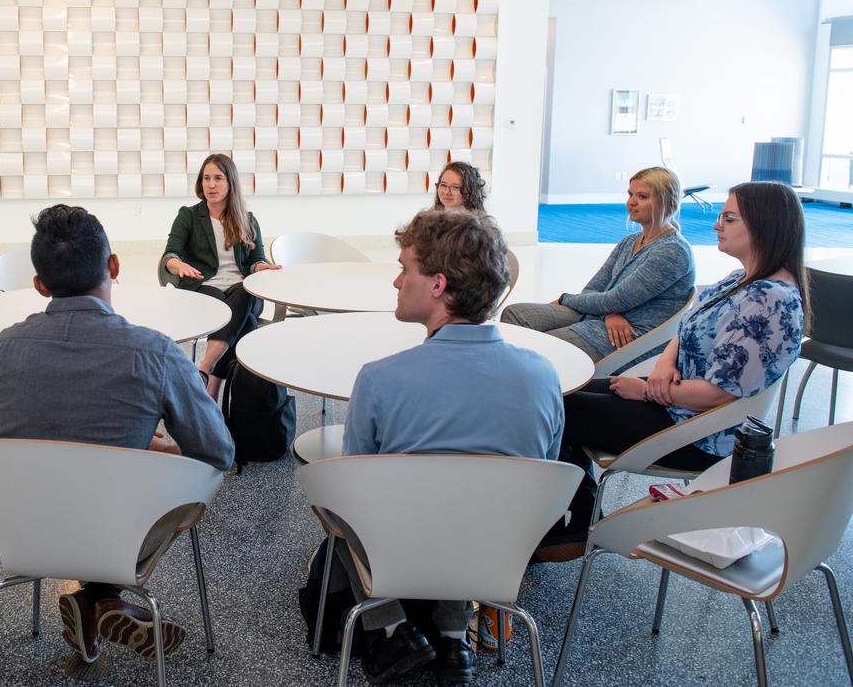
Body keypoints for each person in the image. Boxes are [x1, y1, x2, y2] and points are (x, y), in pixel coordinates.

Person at [0, 204, 234, 667]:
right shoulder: (153, 351)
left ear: (40, 285)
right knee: (193, 473)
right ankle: (103, 595)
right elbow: (218, 451)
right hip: (121, 537)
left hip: (28, 531)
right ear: (114, 266)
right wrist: (160, 447)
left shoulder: (3, 348)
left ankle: (92, 599)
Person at [333, 210, 564, 685]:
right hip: (498, 558)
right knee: (476, 493)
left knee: (335, 496)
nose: (397, 281)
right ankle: (456, 640)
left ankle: (392, 625)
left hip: (401, 558)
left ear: (438, 285)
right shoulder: (544, 377)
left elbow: (352, 488)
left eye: (405, 268)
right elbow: (547, 471)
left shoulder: (380, 379)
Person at [543, 181, 806, 560]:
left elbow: (718, 395)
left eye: (729, 218)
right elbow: (683, 332)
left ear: (766, 226)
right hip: (674, 400)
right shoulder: (741, 280)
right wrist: (663, 369)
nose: (717, 225)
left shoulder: (768, 299)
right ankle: (577, 514)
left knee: (556, 409)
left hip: (697, 430)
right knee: (560, 395)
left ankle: (567, 516)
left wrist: (648, 389)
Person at [502, 166, 694, 362]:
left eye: (642, 197)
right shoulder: (630, 241)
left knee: (542, 346)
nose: (631, 202)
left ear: (666, 202)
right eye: (630, 194)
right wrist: (609, 314)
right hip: (606, 319)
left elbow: (615, 300)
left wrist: (565, 299)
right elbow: (594, 290)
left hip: (628, 336)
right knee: (515, 314)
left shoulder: (672, 251)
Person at [162, 153, 281, 398]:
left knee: (244, 293)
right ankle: (215, 390)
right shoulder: (189, 216)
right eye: (206, 178)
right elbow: (170, 254)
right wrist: (178, 265)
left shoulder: (247, 219)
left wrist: (261, 267)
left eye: (218, 178)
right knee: (243, 321)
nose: (211, 185)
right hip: (204, 289)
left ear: (231, 183)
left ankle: (205, 368)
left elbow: (256, 259)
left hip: (241, 293)